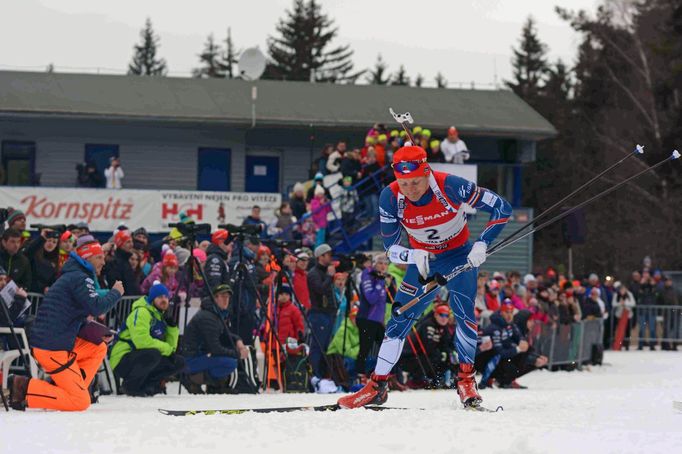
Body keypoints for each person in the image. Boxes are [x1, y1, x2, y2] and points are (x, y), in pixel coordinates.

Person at [338, 144, 511, 409]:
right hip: (423, 261)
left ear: (427, 173)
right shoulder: (390, 196)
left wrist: (482, 244)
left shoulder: (450, 185)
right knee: (399, 316)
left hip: (459, 255)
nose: (410, 189)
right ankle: (377, 385)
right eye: (404, 183)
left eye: (416, 182)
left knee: (464, 314)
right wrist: (410, 256)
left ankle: (466, 380)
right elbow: (391, 248)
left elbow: (502, 207)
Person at [7, 239, 124, 411]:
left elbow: (74, 316)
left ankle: (72, 389)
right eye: (99, 257)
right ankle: (24, 387)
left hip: (55, 343)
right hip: (52, 349)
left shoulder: (74, 276)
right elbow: (97, 307)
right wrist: (115, 293)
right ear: (88, 258)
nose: (103, 261)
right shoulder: (80, 278)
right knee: (80, 402)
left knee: (98, 347)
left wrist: (97, 332)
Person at [109, 283, 184, 396]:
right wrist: (168, 349)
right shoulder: (142, 312)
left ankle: (148, 385)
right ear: (152, 299)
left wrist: (172, 328)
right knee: (153, 354)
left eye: (166, 297)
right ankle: (130, 386)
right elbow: (142, 342)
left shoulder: (160, 315)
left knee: (178, 362)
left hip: (140, 357)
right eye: (159, 297)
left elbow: (171, 348)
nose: (163, 300)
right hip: (122, 358)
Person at [182, 284, 250, 394]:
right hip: (191, 359)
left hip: (198, 355)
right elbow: (215, 348)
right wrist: (237, 354)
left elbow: (224, 334)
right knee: (230, 363)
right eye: (222, 296)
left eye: (227, 297)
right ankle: (193, 379)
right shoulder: (208, 317)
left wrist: (237, 340)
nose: (226, 300)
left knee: (229, 354)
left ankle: (214, 384)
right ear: (215, 298)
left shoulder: (214, 313)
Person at [476, 301, 548, 389]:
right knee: (509, 356)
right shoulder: (495, 328)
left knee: (529, 355)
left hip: (500, 357)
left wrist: (536, 356)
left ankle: (505, 379)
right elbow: (499, 352)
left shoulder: (510, 324)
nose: (509, 315)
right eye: (507, 312)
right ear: (501, 312)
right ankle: (488, 380)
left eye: (511, 312)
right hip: (484, 358)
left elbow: (519, 337)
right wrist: (518, 349)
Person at [400, 304, 454, 387]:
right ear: (435, 315)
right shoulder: (428, 324)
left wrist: (449, 354)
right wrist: (440, 354)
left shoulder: (444, 327)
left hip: (422, 356)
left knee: (447, 358)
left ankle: (442, 379)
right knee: (433, 357)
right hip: (408, 357)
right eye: (441, 315)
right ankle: (415, 380)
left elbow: (447, 344)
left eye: (447, 315)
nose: (444, 318)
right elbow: (428, 346)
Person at [356, 255, 389, 376]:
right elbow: (371, 298)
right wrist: (381, 282)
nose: (383, 266)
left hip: (377, 320)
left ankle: (383, 374)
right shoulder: (368, 275)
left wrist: (389, 284)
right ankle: (359, 375)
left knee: (386, 347)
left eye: (385, 263)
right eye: (380, 263)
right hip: (367, 318)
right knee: (365, 349)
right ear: (374, 264)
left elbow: (389, 299)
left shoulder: (382, 277)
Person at [307, 243, 336, 379]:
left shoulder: (323, 271)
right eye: (328, 255)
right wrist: (330, 277)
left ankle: (324, 376)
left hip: (328, 313)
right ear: (320, 256)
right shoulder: (313, 273)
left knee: (325, 346)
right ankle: (315, 376)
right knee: (318, 346)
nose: (330, 257)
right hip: (319, 314)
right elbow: (320, 289)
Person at [23, 227, 60, 293]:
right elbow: (27, 252)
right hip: (28, 293)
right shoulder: (34, 254)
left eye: (54, 242)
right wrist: (41, 238)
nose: (51, 244)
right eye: (48, 240)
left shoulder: (56, 261)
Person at [104, 230, 142, 295]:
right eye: (128, 242)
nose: (131, 244)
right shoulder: (114, 263)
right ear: (120, 244)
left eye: (131, 241)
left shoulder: (126, 260)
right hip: (122, 302)